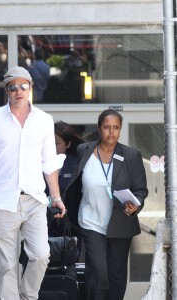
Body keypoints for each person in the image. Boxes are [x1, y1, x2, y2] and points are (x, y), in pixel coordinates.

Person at [0, 66, 66, 300]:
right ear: (6, 91)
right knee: (7, 265)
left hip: (35, 199)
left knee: (41, 255)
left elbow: (49, 163)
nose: (19, 91)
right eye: (13, 87)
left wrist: (57, 197)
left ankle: (27, 295)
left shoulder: (44, 120)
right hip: (2, 201)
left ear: (30, 88)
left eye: (24, 86)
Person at [63, 109, 148, 300]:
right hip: (91, 223)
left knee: (116, 278)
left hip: (120, 224)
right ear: (99, 129)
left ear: (120, 130)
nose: (111, 132)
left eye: (116, 127)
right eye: (107, 127)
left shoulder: (131, 156)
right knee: (99, 273)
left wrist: (136, 205)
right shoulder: (84, 151)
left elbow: (141, 190)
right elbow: (76, 184)